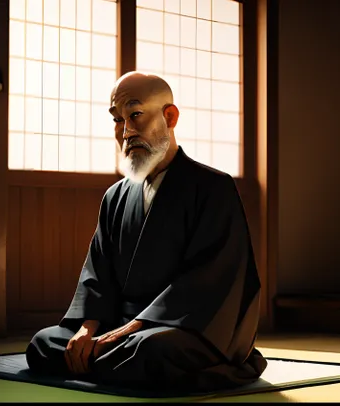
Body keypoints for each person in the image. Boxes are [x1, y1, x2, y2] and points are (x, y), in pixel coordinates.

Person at [25, 71, 267, 393]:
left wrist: (132, 329)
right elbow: (97, 277)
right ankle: (103, 360)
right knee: (43, 344)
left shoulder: (213, 188)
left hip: (182, 328)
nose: (125, 132)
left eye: (135, 115)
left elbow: (210, 280)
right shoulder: (115, 197)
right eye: (116, 120)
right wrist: (87, 329)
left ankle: (99, 362)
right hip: (119, 330)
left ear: (170, 116)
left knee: (153, 351)